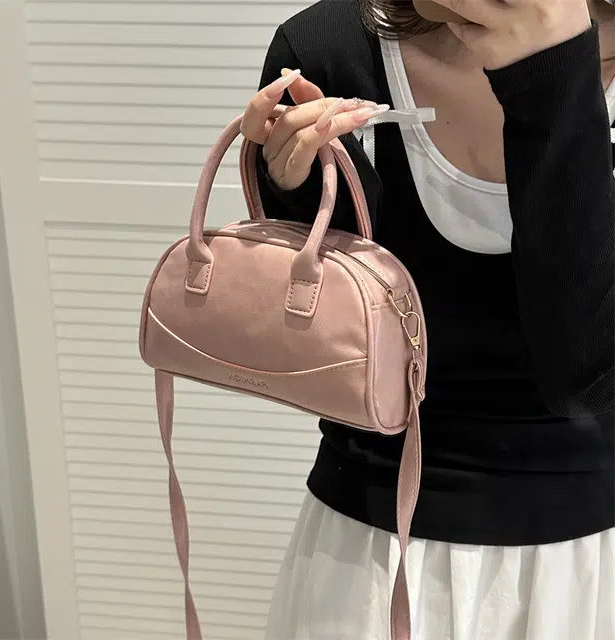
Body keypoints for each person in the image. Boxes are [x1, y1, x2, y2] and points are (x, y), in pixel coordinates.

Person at [240, 1, 615, 638]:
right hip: (372, 554)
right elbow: (324, 347)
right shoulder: (329, 46)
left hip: (589, 561)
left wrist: (552, 70)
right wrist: (298, 191)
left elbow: (587, 377)